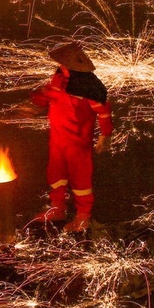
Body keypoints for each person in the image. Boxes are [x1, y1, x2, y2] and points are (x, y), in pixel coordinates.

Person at [30, 42, 113, 232]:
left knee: (80, 180)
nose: (59, 66)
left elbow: (104, 112)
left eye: (62, 63)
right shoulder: (59, 79)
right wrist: (37, 98)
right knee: (56, 174)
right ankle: (57, 208)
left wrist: (105, 135)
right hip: (57, 139)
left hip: (78, 143)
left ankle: (83, 217)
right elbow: (50, 96)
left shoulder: (88, 88)